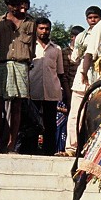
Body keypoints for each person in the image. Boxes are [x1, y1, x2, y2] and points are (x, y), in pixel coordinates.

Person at [0, 0, 34, 153]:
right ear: (9, 5)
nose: (22, 10)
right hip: (3, 64)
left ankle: (11, 143)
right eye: (17, 6)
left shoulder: (31, 23)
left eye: (23, 6)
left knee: (17, 106)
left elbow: (32, 48)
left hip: (22, 65)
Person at [62, 6, 101, 157]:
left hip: (100, 77)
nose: (93, 20)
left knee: (98, 115)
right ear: (86, 19)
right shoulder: (82, 36)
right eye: (90, 18)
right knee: (75, 115)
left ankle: (95, 150)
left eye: (95, 17)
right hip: (82, 79)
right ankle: (71, 148)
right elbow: (75, 58)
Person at [30, 17, 64, 155]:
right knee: (32, 123)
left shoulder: (56, 49)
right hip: (33, 90)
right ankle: (30, 150)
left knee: (50, 123)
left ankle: (49, 152)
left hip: (51, 91)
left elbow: (60, 72)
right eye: (41, 28)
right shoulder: (30, 46)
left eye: (47, 28)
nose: (44, 31)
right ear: (36, 29)